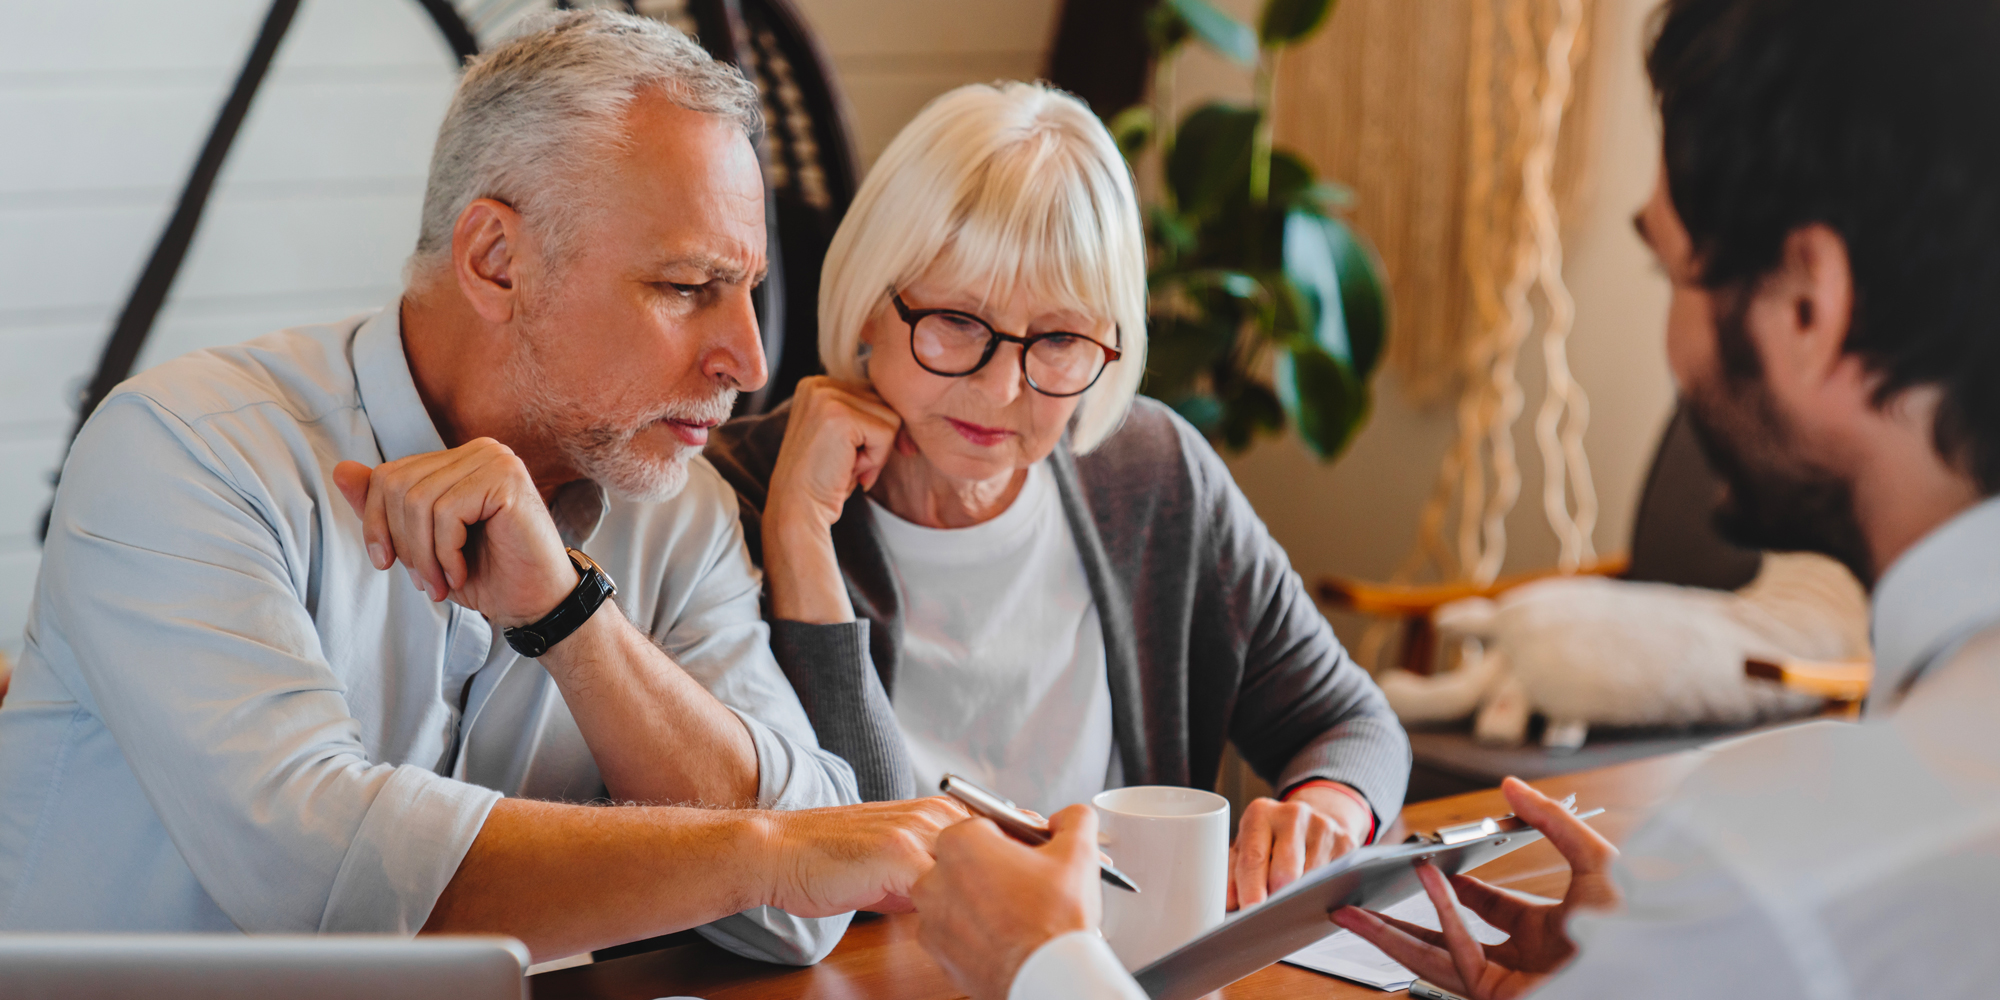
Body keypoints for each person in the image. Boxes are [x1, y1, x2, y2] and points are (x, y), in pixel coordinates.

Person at [911, 0, 2000, 996]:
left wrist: (1039, 966)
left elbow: (1346, 719)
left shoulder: (1784, 870)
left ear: (1807, 302)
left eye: (1673, 271)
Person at [0, 10, 966, 965]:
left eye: (745, 288)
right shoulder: (184, 453)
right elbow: (322, 883)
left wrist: (572, 620)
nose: (748, 360)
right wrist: (761, 852)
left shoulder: (682, 511)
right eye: (685, 287)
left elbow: (806, 914)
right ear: (495, 260)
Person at [703, 81, 1411, 909]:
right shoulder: (737, 494)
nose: (1003, 388)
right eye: (959, 322)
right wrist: (798, 540)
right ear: (868, 302)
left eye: (1062, 338)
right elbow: (837, 854)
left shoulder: (1149, 471)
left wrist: (1327, 807)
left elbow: (1352, 726)